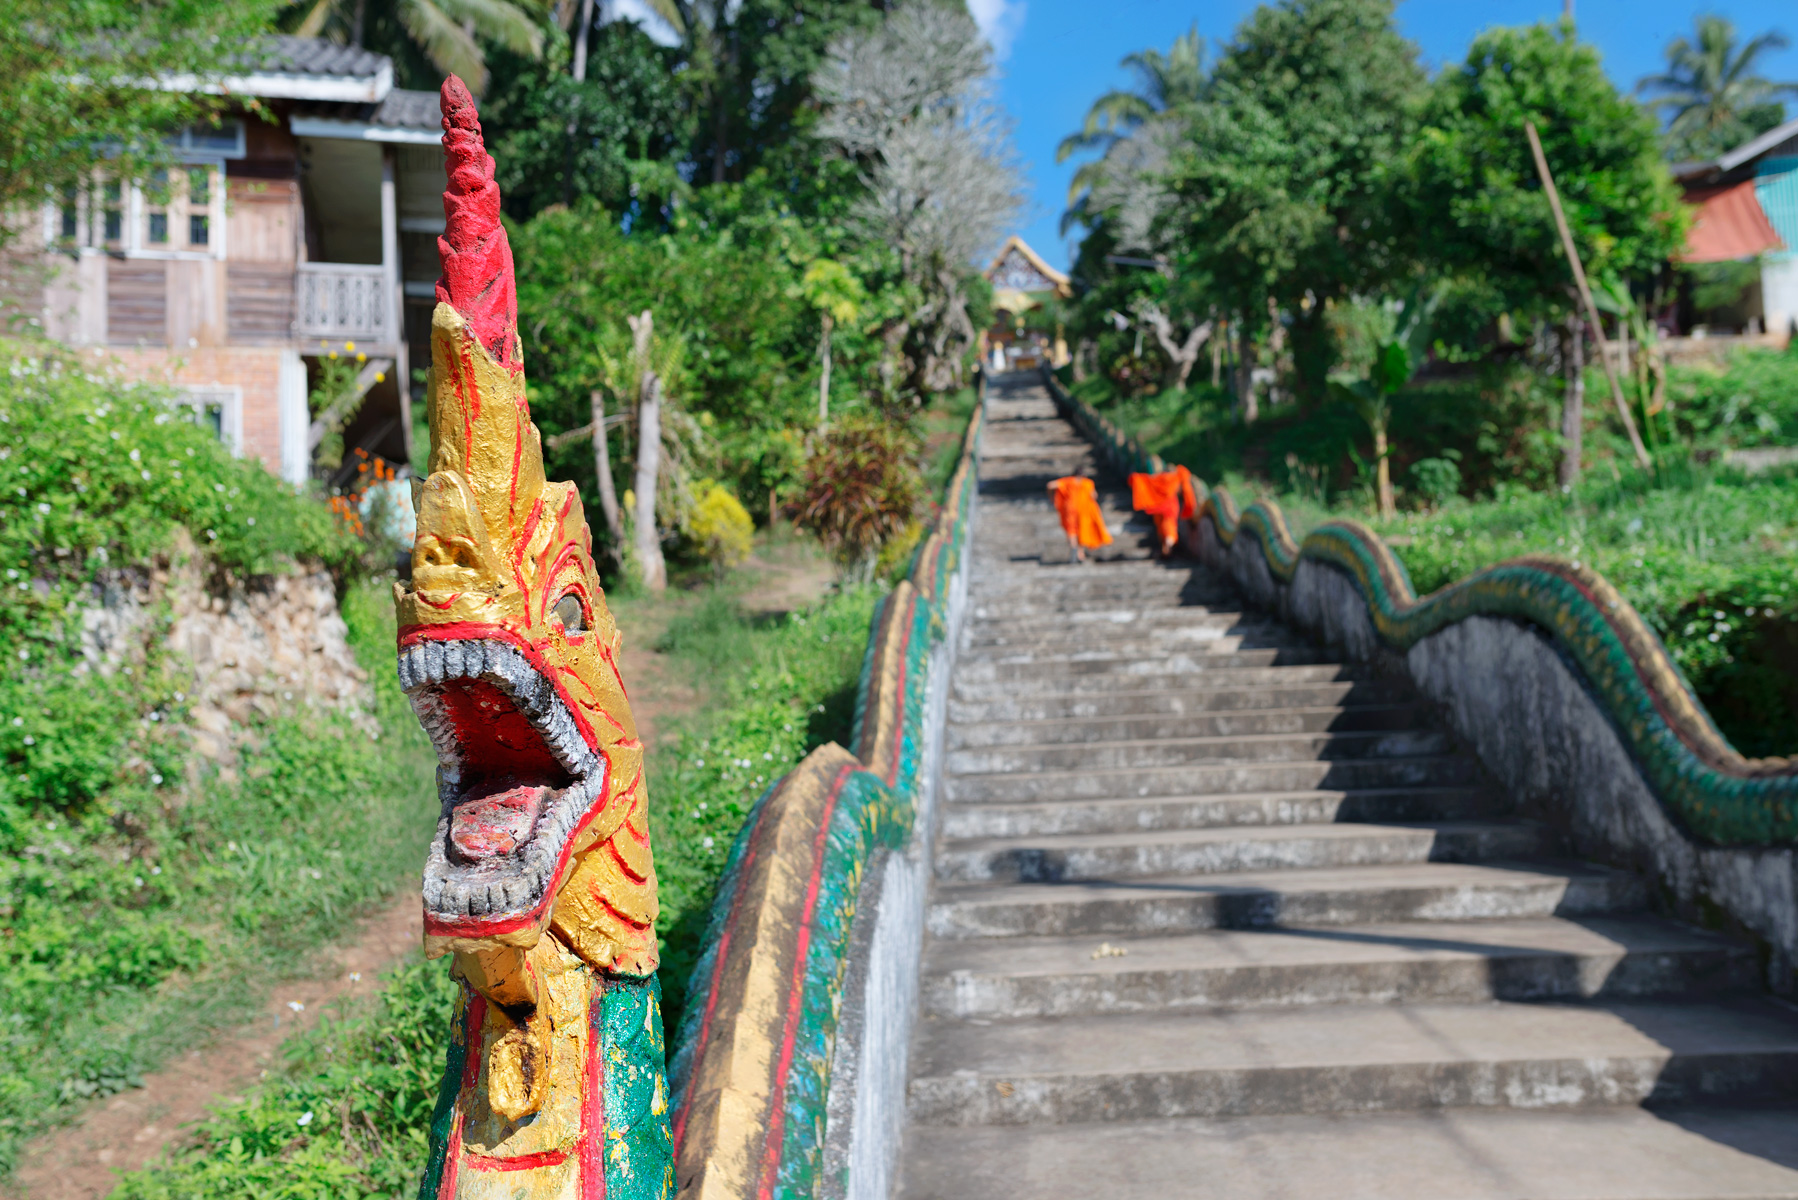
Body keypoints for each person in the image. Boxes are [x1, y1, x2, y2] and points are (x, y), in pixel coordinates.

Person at [1128, 464, 1198, 557]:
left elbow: (1148, 482)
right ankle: (1168, 546)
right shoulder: (1176, 478)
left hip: (1158, 505)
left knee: (1161, 526)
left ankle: (1164, 547)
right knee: (1169, 526)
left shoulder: (1161, 478)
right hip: (1170, 506)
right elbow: (1184, 491)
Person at [1047, 469, 1112, 563]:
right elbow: (1094, 495)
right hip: (1083, 510)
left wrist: (1052, 498)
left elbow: (1050, 485)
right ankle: (1080, 554)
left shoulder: (1068, 481)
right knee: (1081, 530)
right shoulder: (1088, 483)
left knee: (1071, 530)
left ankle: (1074, 549)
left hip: (1070, 509)